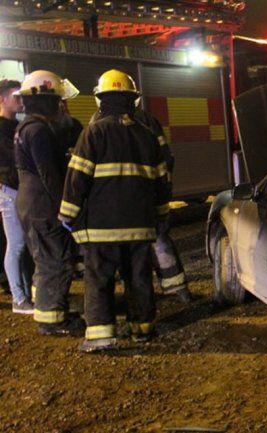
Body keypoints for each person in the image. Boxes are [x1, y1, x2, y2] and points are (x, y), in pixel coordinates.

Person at [59, 69, 170, 352]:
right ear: (133, 100)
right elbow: (162, 182)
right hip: (140, 226)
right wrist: (161, 216)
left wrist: (67, 216)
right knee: (139, 280)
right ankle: (143, 330)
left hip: (101, 228)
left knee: (99, 280)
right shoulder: (147, 135)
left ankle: (101, 337)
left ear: (101, 100)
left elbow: (77, 179)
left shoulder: (93, 133)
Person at [89, 96, 191, 303]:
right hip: (144, 194)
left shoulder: (96, 123)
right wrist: (162, 189)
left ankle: (132, 297)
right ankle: (175, 288)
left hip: (114, 201)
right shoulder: (146, 120)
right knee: (157, 238)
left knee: (128, 247)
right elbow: (165, 158)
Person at [13, 70, 82, 335]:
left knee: (44, 259)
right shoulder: (39, 131)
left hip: (31, 203)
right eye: (56, 101)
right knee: (55, 260)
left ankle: (49, 309)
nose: (60, 106)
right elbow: (50, 176)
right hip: (43, 206)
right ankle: (53, 321)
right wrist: (67, 208)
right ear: (45, 101)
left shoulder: (27, 127)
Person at [0, 79, 34, 314]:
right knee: (16, 245)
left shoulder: (16, 126)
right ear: (2, 99)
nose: (20, 101)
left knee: (22, 245)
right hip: (8, 190)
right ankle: (19, 298)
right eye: (15, 96)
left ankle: (23, 294)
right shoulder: (3, 128)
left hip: (18, 189)